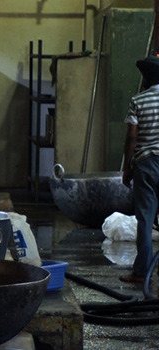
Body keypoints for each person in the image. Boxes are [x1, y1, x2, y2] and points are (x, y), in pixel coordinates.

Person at [120, 55, 159, 284]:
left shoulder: (139, 100)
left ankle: (142, 272)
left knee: (145, 219)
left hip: (146, 164)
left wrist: (127, 167)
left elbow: (132, 136)